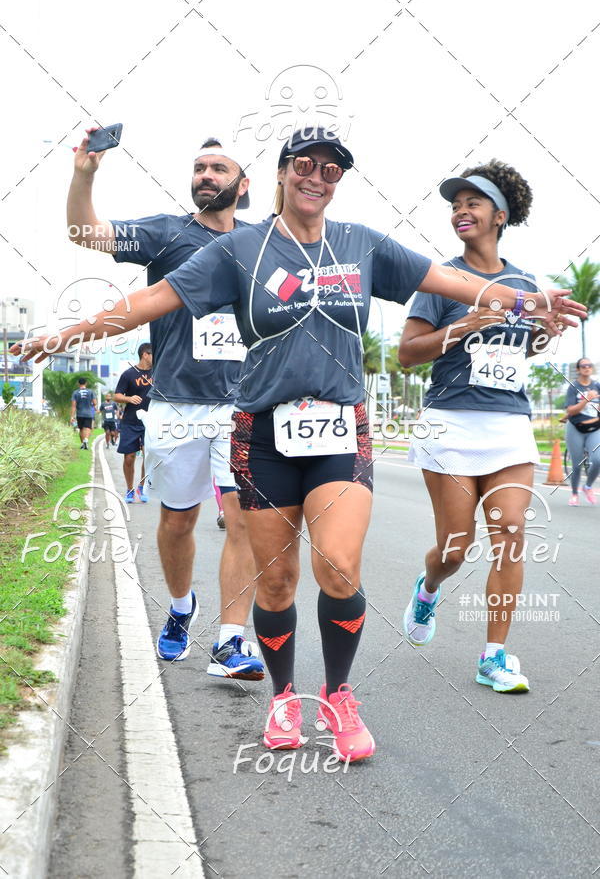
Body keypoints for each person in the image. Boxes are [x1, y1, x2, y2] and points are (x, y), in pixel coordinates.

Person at [17, 129, 584, 761]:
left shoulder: (362, 244)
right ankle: (284, 698)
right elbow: (151, 300)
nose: (317, 177)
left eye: (331, 170)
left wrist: (532, 300)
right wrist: (64, 335)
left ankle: (338, 696)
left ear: (338, 181)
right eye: (305, 165)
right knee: (278, 582)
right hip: (261, 433)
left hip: (341, 427)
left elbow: (461, 287)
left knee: (338, 567)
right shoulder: (240, 250)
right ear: (283, 172)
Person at [65, 132, 264, 677]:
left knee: (242, 519)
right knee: (178, 523)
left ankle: (230, 641)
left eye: (219, 169)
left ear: (242, 185)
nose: (206, 175)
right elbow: (86, 233)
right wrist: (85, 174)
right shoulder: (166, 233)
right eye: (199, 167)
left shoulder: (264, 243)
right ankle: (181, 609)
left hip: (244, 408)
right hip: (177, 406)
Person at [398, 160, 569, 694]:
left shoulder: (525, 283)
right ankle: (429, 588)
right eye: (455, 204)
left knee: (512, 533)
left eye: (473, 202)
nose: (460, 212)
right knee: (454, 546)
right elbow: (407, 354)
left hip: (509, 426)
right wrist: (464, 326)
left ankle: (493, 655)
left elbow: (524, 350)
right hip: (450, 424)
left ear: (500, 214)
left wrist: (545, 330)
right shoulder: (441, 279)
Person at [113, 344, 153, 503]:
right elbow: (117, 395)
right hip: (130, 421)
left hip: (151, 422)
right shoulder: (128, 374)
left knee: (147, 456)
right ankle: (130, 489)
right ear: (145, 354)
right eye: (153, 354)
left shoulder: (158, 373)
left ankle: (142, 487)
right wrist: (129, 398)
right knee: (129, 457)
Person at [565, 358, 600, 505]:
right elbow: (570, 410)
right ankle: (574, 494)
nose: (587, 368)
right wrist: (586, 399)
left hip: (595, 428)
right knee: (577, 464)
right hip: (576, 428)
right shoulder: (574, 387)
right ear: (578, 369)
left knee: (598, 459)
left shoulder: (597, 385)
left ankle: (588, 486)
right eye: (583, 366)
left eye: (589, 365)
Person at [70, 377, 96, 449]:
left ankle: (82, 444)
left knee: (81, 429)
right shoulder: (91, 392)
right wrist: (93, 405)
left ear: (78, 384)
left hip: (79, 413)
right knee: (87, 428)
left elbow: (73, 406)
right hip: (88, 413)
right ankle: (86, 440)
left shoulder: (75, 393)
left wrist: (72, 417)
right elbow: (95, 402)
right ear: (86, 383)